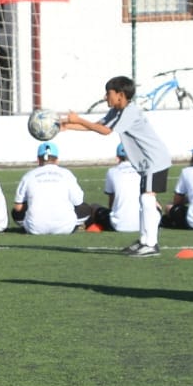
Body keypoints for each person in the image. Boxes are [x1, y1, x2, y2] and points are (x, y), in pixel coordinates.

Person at [59, 76, 171, 255]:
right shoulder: (118, 111)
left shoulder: (130, 111)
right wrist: (68, 126)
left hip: (154, 160)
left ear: (120, 95)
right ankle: (144, 241)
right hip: (146, 163)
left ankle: (151, 243)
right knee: (144, 199)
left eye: (108, 93)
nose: (105, 97)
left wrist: (78, 119)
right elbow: (98, 125)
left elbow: (105, 131)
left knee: (147, 199)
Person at [13, 142, 90, 235]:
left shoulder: (28, 176)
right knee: (86, 208)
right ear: (57, 160)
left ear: (38, 159)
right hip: (65, 228)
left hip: (34, 228)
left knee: (15, 212)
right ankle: (77, 224)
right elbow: (78, 202)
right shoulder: (67, 174)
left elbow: (18, 207)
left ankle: (30, 224)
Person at [88, 145, 143, 233]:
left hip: (118, 225)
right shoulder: (142, 171)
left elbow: (111, 200)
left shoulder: (112, 171)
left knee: (94, 207)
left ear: (117, 157)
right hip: (143, 223)